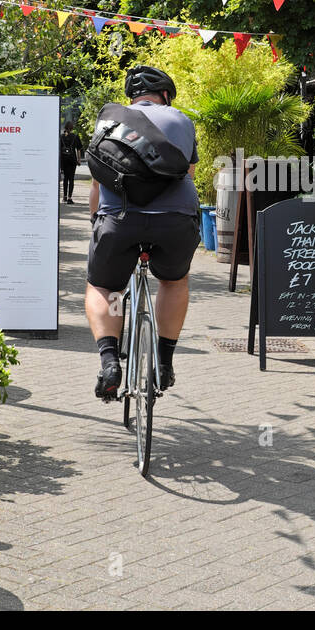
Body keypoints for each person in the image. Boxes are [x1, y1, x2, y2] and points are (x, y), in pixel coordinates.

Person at [86, 65, 200, 401]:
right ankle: (164, 362)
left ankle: (109, 363)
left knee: (105, 286)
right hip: (175, 221)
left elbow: (97, 179)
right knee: (174, 281)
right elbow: (188, 175)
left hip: (118, 219)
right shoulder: (182, 120)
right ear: (166, 95)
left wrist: (96, 223)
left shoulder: (109, 121)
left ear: (132, 98)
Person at [60, 121, 83, 204]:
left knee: (65, 178)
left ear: (65, 128)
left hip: (63, 160)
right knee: (71, 179)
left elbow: (59, 149)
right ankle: (70, 198)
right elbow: (79, 149)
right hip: (72, 160)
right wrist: (79, 160)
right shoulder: (75, 136)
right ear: (72, 128)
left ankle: (64, 197)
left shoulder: (61, 137)